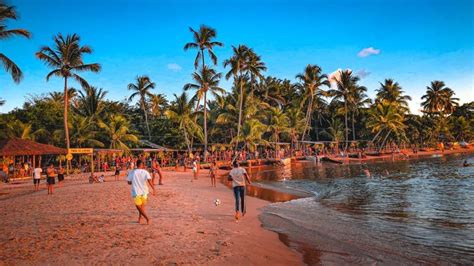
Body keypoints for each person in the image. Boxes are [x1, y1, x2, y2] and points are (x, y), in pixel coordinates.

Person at [127, 160, 154, 225]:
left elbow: (129, 182)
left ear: (136, 164)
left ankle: (147, 218)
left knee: (138, 206)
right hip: (145, 192)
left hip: (136, 192)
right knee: (142, 206)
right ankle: (140, 219)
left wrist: (133, 181)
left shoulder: (132, 172)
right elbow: (149, 181)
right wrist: (154, 189)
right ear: (141, 165)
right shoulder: (145, 172)